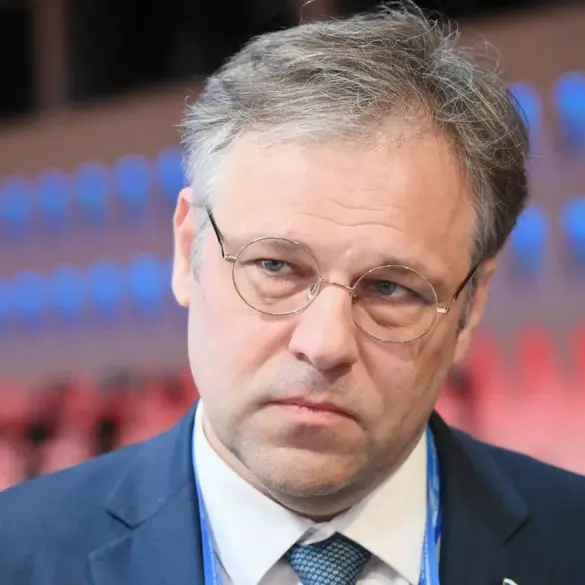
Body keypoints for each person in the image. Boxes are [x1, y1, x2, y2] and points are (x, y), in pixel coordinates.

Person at [0, 4, 584, 585]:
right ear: (187, 251)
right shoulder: (17, 554)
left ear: (470, 305)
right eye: (276, 266)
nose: (325, 345)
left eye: (390, 288)